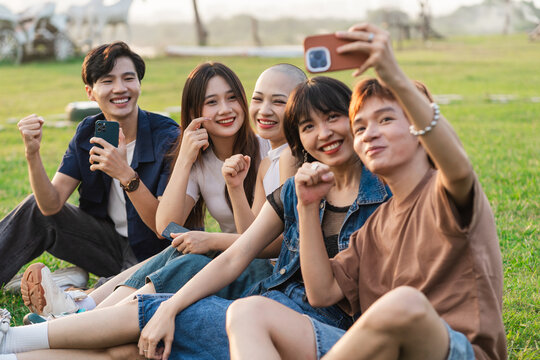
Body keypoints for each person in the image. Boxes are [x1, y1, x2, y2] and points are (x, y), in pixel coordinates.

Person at [0, 76, 389, 360]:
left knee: (166, 305)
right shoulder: (292, 187)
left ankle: (19, 338)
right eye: (308, 126)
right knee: (130, 347)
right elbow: (209, 242)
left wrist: (170, 305)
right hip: (270, 300)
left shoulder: (379, 197)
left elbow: (316, 291)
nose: (323, 134)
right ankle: (15, 349)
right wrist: (187, 157)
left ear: (355, 121)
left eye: (332, 118)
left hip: (314, 327)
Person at [225, 23, 506, 360]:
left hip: (454, 352)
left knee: (403, 303)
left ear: (419, 130)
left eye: (385, 120)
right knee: (245, 312)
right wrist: (307, 207)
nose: (370, 133)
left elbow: (457, 165)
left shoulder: (445, 193)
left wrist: (392, 73)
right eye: (360, 126)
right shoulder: (371, 228)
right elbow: (321, 292)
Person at [19, 63, 307, 320]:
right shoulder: (200, 159)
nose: (225, 109)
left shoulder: (269, 148)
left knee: (185, 255)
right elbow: (165, 226)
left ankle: (82, 314)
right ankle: (82, 305)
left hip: (250, 262)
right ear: (195, 112)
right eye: (212, 102)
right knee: (177, 247)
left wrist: (210, 239)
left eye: (233, 98)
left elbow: (264, 240)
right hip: (234, 256)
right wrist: (185, 158)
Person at [0, 42, 179, 310]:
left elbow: (165, 228)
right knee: (33, 207)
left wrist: (124, 173)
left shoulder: (167, 136)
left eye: (128, 78)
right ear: (91, 93)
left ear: (139, 85)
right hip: (106, 246)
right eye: (107, 81)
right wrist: (32, 153)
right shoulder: (88, 132)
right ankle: (75, 283)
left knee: (121, 296)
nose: (120, 88)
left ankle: (75, 290)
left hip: (156, 253)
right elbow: (50, 205)